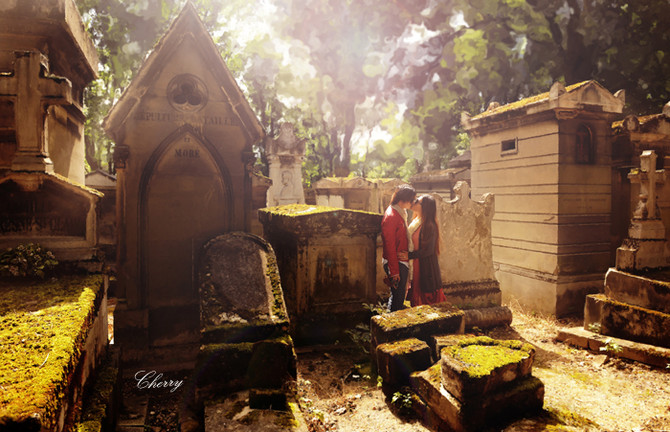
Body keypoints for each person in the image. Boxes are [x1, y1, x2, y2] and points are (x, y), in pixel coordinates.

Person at [407, 194, 447, 306]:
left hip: (424, 266)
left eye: (417, 202)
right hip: (415, 264)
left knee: (427, 300)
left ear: (425, 207)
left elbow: (427, 251)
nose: (413, 202)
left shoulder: (429, 226)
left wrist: (408, 255)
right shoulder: (416, 221)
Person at [381, 185, 416, 312]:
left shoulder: (400, 212)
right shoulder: (391, 216)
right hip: (396, 263)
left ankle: (390, 325)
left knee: (397, 296)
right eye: (411, 200)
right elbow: (389, 245)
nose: (413, 203)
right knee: (398, 299)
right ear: (404, 199)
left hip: (400, 262)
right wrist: (394, 272)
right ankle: (391, 328)